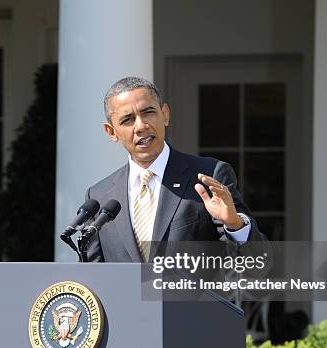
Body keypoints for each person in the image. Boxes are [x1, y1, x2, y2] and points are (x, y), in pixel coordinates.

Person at [85, 76, 269, 263]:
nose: (141, 126)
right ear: (112, 132)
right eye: (128, 120)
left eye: (148, 112)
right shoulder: (99, 197)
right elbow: (93, 280)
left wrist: (234, 224)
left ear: (165, 114)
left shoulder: (209, 175)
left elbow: (257, 265)